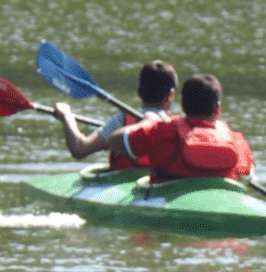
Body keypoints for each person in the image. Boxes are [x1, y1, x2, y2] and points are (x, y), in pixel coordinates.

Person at [113, 73, 254, 183]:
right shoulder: (236, 140)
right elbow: (248, 173)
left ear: (183, 107)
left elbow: (116, 141)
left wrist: (146, 123)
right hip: (223, 199)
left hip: (168, 196)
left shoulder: (165, 130)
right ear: (217, 109)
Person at [52, 60, 178, 171]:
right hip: (158, 185)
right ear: (170, 96)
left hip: (124, 185)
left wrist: (66, 116)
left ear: (139, 93)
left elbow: (79, 148)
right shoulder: (177, 126)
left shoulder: (122, 120)